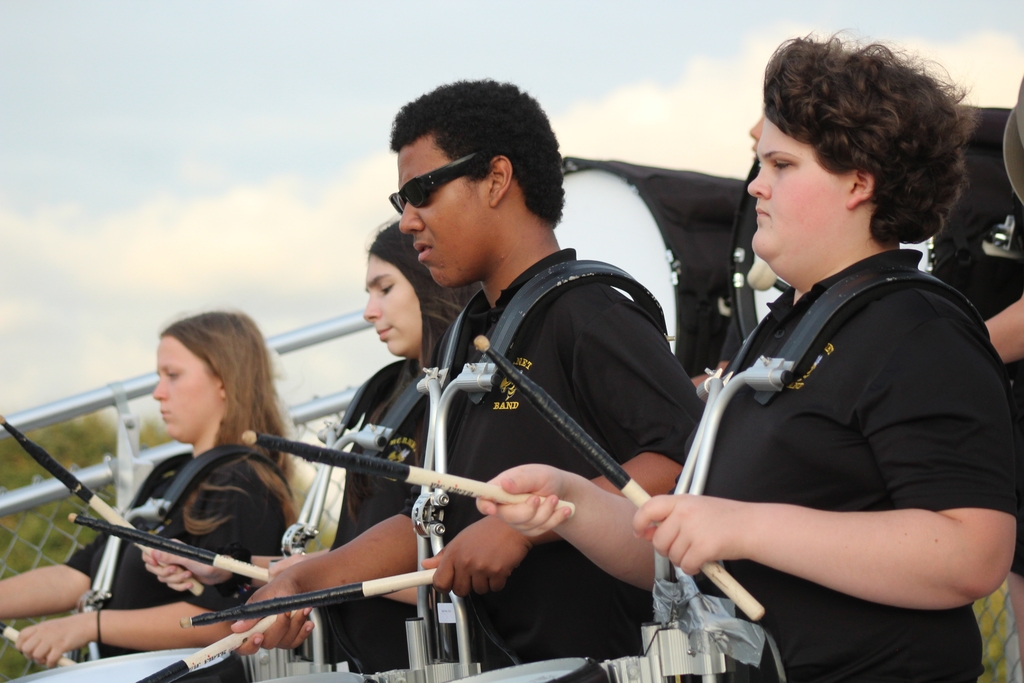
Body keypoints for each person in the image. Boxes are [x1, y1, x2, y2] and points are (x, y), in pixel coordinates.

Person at [478, 37, 1017, 682]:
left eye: (781, 165)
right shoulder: (785, 332)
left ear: (858, 182)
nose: (755, 187)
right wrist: (568, 502)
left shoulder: (919, 331)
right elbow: (684, 552)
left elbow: (972, 552)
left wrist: (745, 526)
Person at [232, 79, 704, 664]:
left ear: (497, 180)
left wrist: (526, 527)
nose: (407, 221)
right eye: (399, 202)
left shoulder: (590, 312)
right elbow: (433, 512)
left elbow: (685, 461)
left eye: (422, 192)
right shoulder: (467, 336)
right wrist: (306, 580)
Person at [147, 222, 477, 674]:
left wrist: (309, 579)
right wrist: (230, 568)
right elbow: (347, 558)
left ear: (428, 278)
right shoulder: (382, 395)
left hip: (448, 661)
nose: (369, 311)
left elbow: (442, 566)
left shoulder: (465, 395)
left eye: (384, 288)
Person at [0, 311, 294, 677]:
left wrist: (90, 625)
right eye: (159, 377)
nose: (157, 393)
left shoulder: (244, 481)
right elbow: (83, 576)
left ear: (224, 380)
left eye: (172, 376)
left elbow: (228, 621)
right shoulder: (170, 479)